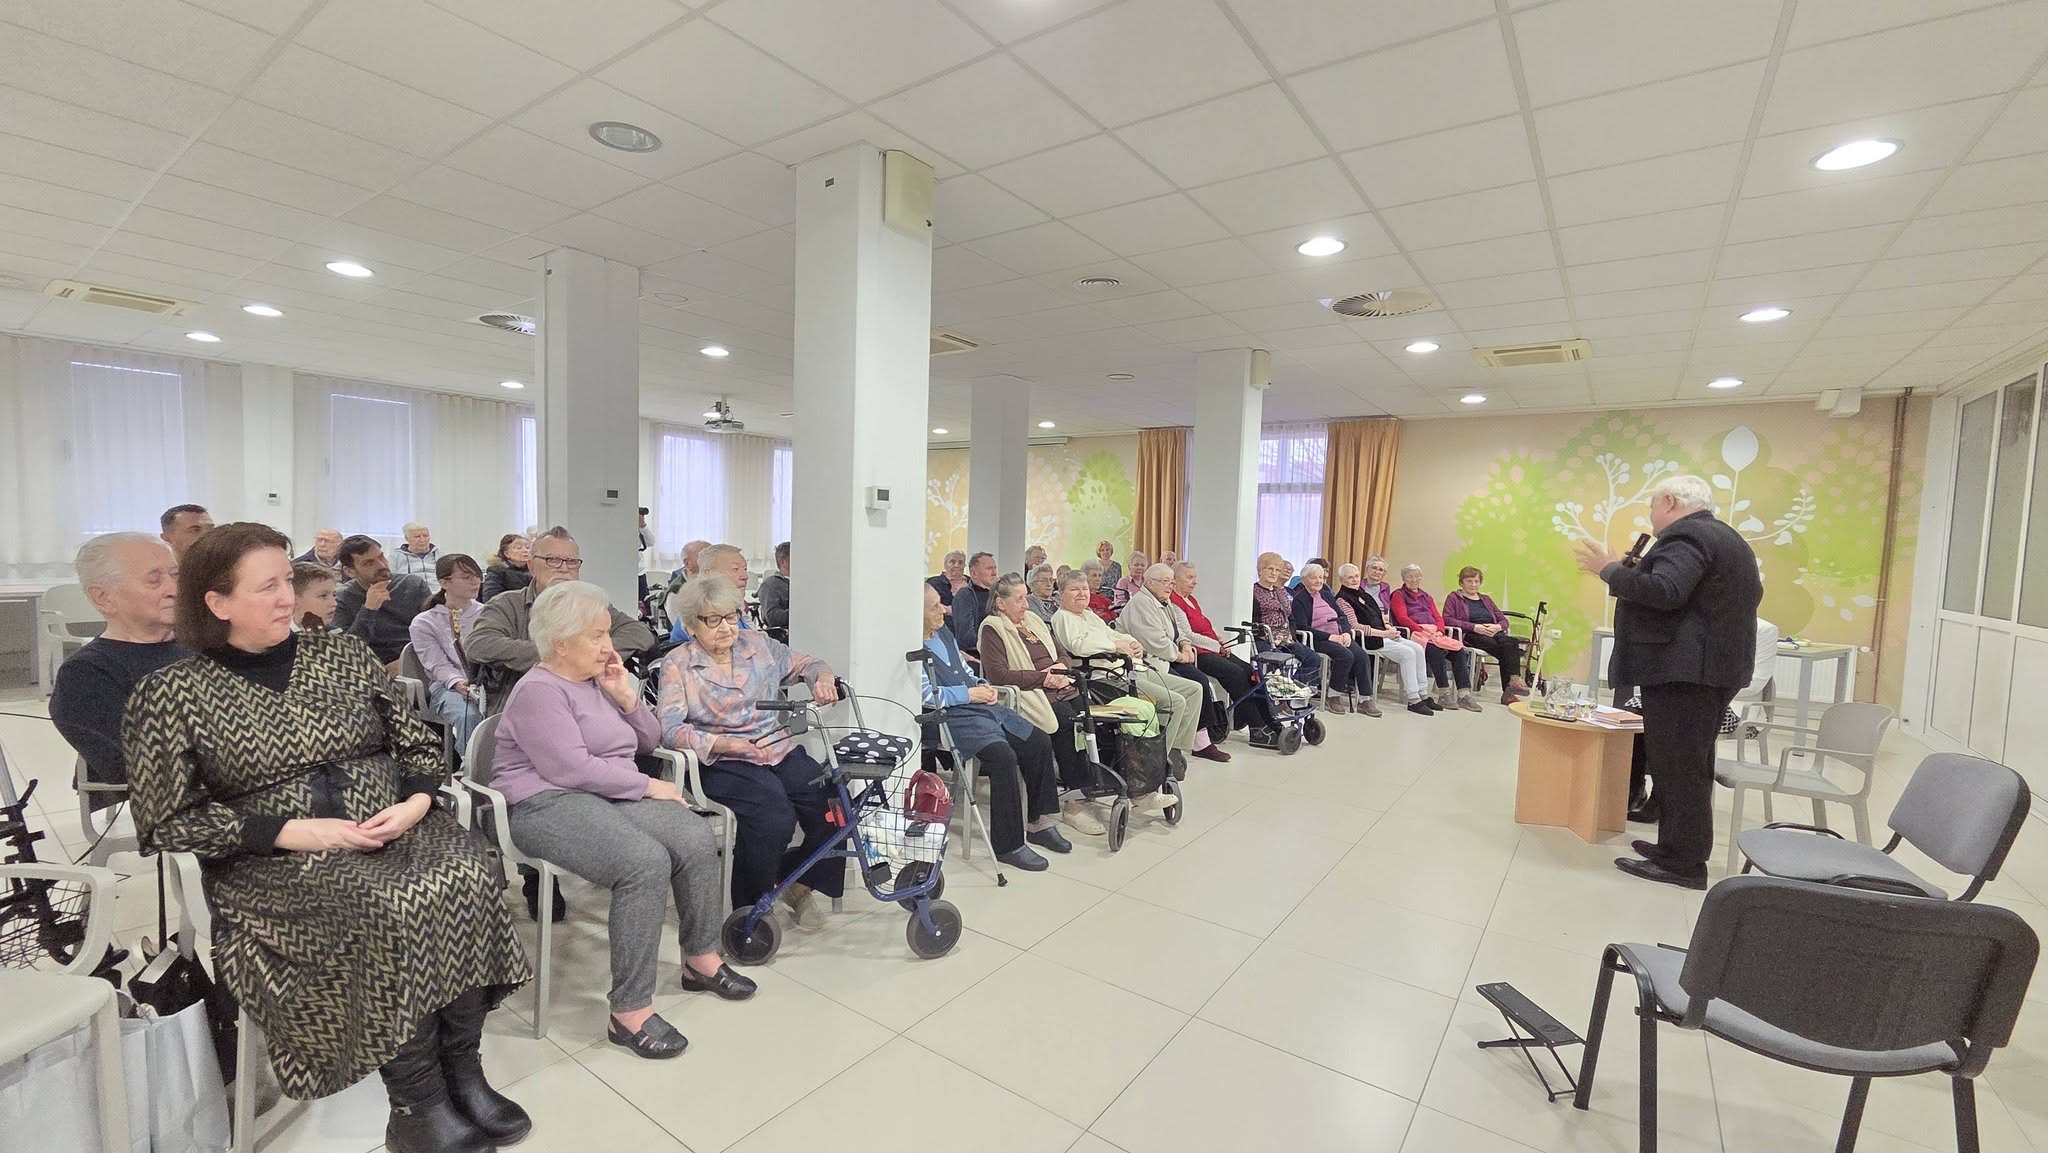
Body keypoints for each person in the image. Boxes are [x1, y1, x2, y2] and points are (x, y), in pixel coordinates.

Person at [123, 523, 531, 1153]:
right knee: (386, 908)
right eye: (267, 587)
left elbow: (416, 743)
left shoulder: (342, 656)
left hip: (392, 825)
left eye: (287, 580)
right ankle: (417, 1101)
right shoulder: (169, 694)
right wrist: (288, 830)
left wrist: (416, 801)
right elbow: (164, 821)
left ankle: (463, 1070)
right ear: (217, 602)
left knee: (471, 875)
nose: (287, 597)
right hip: (271, 859)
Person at [495, 581, 754, 1060]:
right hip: (545, 802)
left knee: (695, 836)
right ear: (560, 643)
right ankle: (629, 1011)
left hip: (607, 793)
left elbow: (650, 740)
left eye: (607, 633)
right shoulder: (539, 691)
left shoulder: (597, 679)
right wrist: (648, 786)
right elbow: (569, 770)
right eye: (596, 635)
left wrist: (626, 697)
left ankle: (700, 959)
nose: (608, 645)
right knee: (642, 863)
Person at [1576, 475, 1762, 890]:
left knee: (1681, 767)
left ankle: (1684, 864)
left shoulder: (1686, 536)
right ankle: (1673, 847)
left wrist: (1609, 570)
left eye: (1652, 508)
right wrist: (1633, 571)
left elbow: (1665, 591)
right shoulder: (1724, 537)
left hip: (1686, 671)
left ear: (1670, 502)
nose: (1651, 517)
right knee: (1685, 763)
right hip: (1708, 669)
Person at [656, 575, 845, 922]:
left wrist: (823, 678)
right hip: (721, 759)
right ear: (691, 625)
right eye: (713, 619)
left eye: (731, 616)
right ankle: (751, 909)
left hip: (775, 747)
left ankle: (798, 883)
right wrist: (726, 744)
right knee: (773, 815)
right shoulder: (678, 663)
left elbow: (808, 663)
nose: (726, 627)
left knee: (834, 805)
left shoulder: (758, 645)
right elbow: (669, 729)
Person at [921, 586, 1069, 870]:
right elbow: (924, 695)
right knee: (1003, 757)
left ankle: (1040, 823)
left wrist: (981, 685)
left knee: (1038, 741)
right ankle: (1008, 845)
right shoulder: (913, 647)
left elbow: (965, 671)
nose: (943, 610)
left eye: (940, 604)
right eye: (934, 607)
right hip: (947, 718)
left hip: (979, 708)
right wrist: (968, 694)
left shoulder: (943, 634)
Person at [50, 534, 188, 813]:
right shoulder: (87, 673)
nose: (174, 589)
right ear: (104, 598)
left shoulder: (206, 646)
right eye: (154, 580)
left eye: (176, 575)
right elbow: (132, 767)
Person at [470, 525, 657, 713]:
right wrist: (559, 657)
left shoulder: (591, 605)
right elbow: (479, 643)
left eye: (571, 561)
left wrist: (591, 654)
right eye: (553, 560)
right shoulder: (507, 604)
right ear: (532, 566)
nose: (564, 568)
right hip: (523, 708)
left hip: (588, 710)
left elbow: (639, 633)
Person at [976, 574, 1106, 836]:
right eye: (1019, 599)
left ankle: (1098, 785)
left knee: (1098, 719)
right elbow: (999, 675)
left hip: (1060, 686)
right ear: (1000, 603)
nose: (1026, 605)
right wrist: (1043, 678)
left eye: (1026, 598)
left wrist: (1059, 670)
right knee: (1069, 724)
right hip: (1030, 695)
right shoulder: (992, 628)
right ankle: (1074, 803)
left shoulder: (1033, 621)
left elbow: (1063, 654)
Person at [1050, 569, 1198, 792]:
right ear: (1061, 594)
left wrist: (1131, 642)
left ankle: (1171, 750)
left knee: (1192, 690)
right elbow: (1079, 646)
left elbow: (1113, 634)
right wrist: (1115, 646)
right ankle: (1155, 762)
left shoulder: (1089, 615)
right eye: (1074, 589)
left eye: (1084, 589)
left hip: (1128, 669)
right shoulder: (1063, 617)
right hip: (1104, 679)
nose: (1082, 593)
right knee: (1174, 702)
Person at [1119, 563, 1231, 760]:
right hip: (1149, 661)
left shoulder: (1164, 601)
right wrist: (1180, 656)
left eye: (1171, 582)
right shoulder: (1141, 604)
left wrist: (1185, 645)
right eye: (1165, 582)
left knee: (1200, 682)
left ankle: (1191, 741)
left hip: (1167, 656)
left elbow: (1179, 630)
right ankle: (1187, 742)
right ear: (1150, 583)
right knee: (1193, 684)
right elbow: (1155, 642)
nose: (1170, 586)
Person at [1170, 562, 1280, 736]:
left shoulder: (1191, 599)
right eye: (1190, 577)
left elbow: (1207, 625)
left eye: (1195, 577)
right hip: (1199, 653)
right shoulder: (1174, 603)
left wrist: (1221, 640)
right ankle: (1257, 726)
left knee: (1250, 671)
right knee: (1236, 674)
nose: (1195, 581)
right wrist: (1217, 646)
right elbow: (1188, 635)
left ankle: (1268, 718)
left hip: (1213, 649)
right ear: (1175, 580)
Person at [407, 554, 486, 754]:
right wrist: (457, 682)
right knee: (468, 715)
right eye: (466, 577)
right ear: (444, 583)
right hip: (447, 688)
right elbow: (437, 664)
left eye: (477, 576)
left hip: (486, 684)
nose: (475, 582)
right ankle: (470, 765)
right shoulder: (424, 622)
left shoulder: (488, 613)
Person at [1336, 563, 1433, 716]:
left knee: (1418, 648)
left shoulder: (1363, 594)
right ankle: (1414, 699)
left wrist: (1388, 627)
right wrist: (1384, 634)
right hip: (1369, 639)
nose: (1354, 580)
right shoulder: (1342, 599)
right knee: (1407, 653)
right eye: (1349, 577)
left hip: (1383, 634)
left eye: (1356, 576)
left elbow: (1378, 616)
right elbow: (1355, 627)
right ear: (1342, 580)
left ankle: (1423, 694)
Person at [334, 535, 433, 671]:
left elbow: (434, 632)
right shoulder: (342, 598)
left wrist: (406, 662)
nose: (381, 566)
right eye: (369, 563)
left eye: (381, 557)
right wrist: (369, 609)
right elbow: (348, 650)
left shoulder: (413, 585)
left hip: (420, 660)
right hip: (373, 668)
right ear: (350, 571)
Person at [1390, 564, 1479, 711]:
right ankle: (1444, 693)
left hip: (1434, 633)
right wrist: (1421, 630)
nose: (1414, 579)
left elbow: (1438, 617)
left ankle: (1464, 694)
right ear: (1403, 578)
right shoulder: (1398, 595)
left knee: (1458, 650)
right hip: (1415, 634)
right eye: (1410, 576)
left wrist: (1440, 631)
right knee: (1435, 651)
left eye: (1417, 576)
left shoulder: (1426, 596)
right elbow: (1402, 617)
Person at [1292, 563, 1373, 716]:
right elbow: (1302, 626)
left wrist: (1347, 633)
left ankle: (1365, 699)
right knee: (1345, 655)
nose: (1318, 581)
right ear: (1303, 580)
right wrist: (1330, 636)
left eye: (1321, 577)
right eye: (1314, 577)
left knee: (1361, 655)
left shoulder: (1326, 594)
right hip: (1318, 639)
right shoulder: (1299, 599)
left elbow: (1342, 616)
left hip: (1339, 635)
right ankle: (1333, 696)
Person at [1444, 566, 1530, 704]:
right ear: (1461, 582)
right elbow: (1448, 619)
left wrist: (1497, 627)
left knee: (1511, 642)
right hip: (1471, 633)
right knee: (1506, 650)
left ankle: (1514, 681)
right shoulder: (1454, 598)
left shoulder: (1486, 599)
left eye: (1476, 581)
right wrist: (1474, 627)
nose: (1473, 584)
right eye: (1469, 581)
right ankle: (1509, 691)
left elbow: (1503, 620)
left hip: (1493, 631)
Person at [1250, 552, 1320, 677]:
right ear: (1260, 570)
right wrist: (1272, 637)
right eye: (1270, 569)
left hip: (1286, 638)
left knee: (1313, 659)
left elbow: (1291, 618)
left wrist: (1290, 635)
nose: (1274, 573)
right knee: (1280, 661)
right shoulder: (1253, 592)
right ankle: (1277, 687)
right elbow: (1252, 621)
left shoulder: (1282, 592)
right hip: (1263, 639)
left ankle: (1296, 685)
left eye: (1277, 570)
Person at [670, 544, 754, 642]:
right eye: (735, 569)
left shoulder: (734, 606)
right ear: (708, 573)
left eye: (745, 569)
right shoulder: (696, 611)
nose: (745, 576)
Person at [948, 551, 996, 655]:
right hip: (978, 655)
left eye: (994, 568)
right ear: (974, 573)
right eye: (989, 568)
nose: (994, 573)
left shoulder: (997, 594)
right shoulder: (965, 596)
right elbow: (966, 638)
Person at [481, 533, 533, 602]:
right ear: (506, 553)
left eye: (528, 547)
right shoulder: (497, 571)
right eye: (518, 547)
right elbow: (490, 598)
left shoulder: (535, 570)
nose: (525, 550)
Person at [758, 540, 791, 639]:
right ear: (783, 561)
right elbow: (772, 618)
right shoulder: (771, 584)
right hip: (784, 637)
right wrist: (801, 612)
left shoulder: (803, 583)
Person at [293, 562, 338, 631]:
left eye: (334, 595)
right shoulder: (279, 635)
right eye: (323, 596)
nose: (334, 603)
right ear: (295, 601)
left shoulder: (335, 632)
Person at [927, 549, 968, 614]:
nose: (957, 565)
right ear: (945, 564)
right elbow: (930, 605)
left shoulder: (972, 582)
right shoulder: (933, 583)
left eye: (960, 562)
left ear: (964, 565)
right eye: (952, 562)